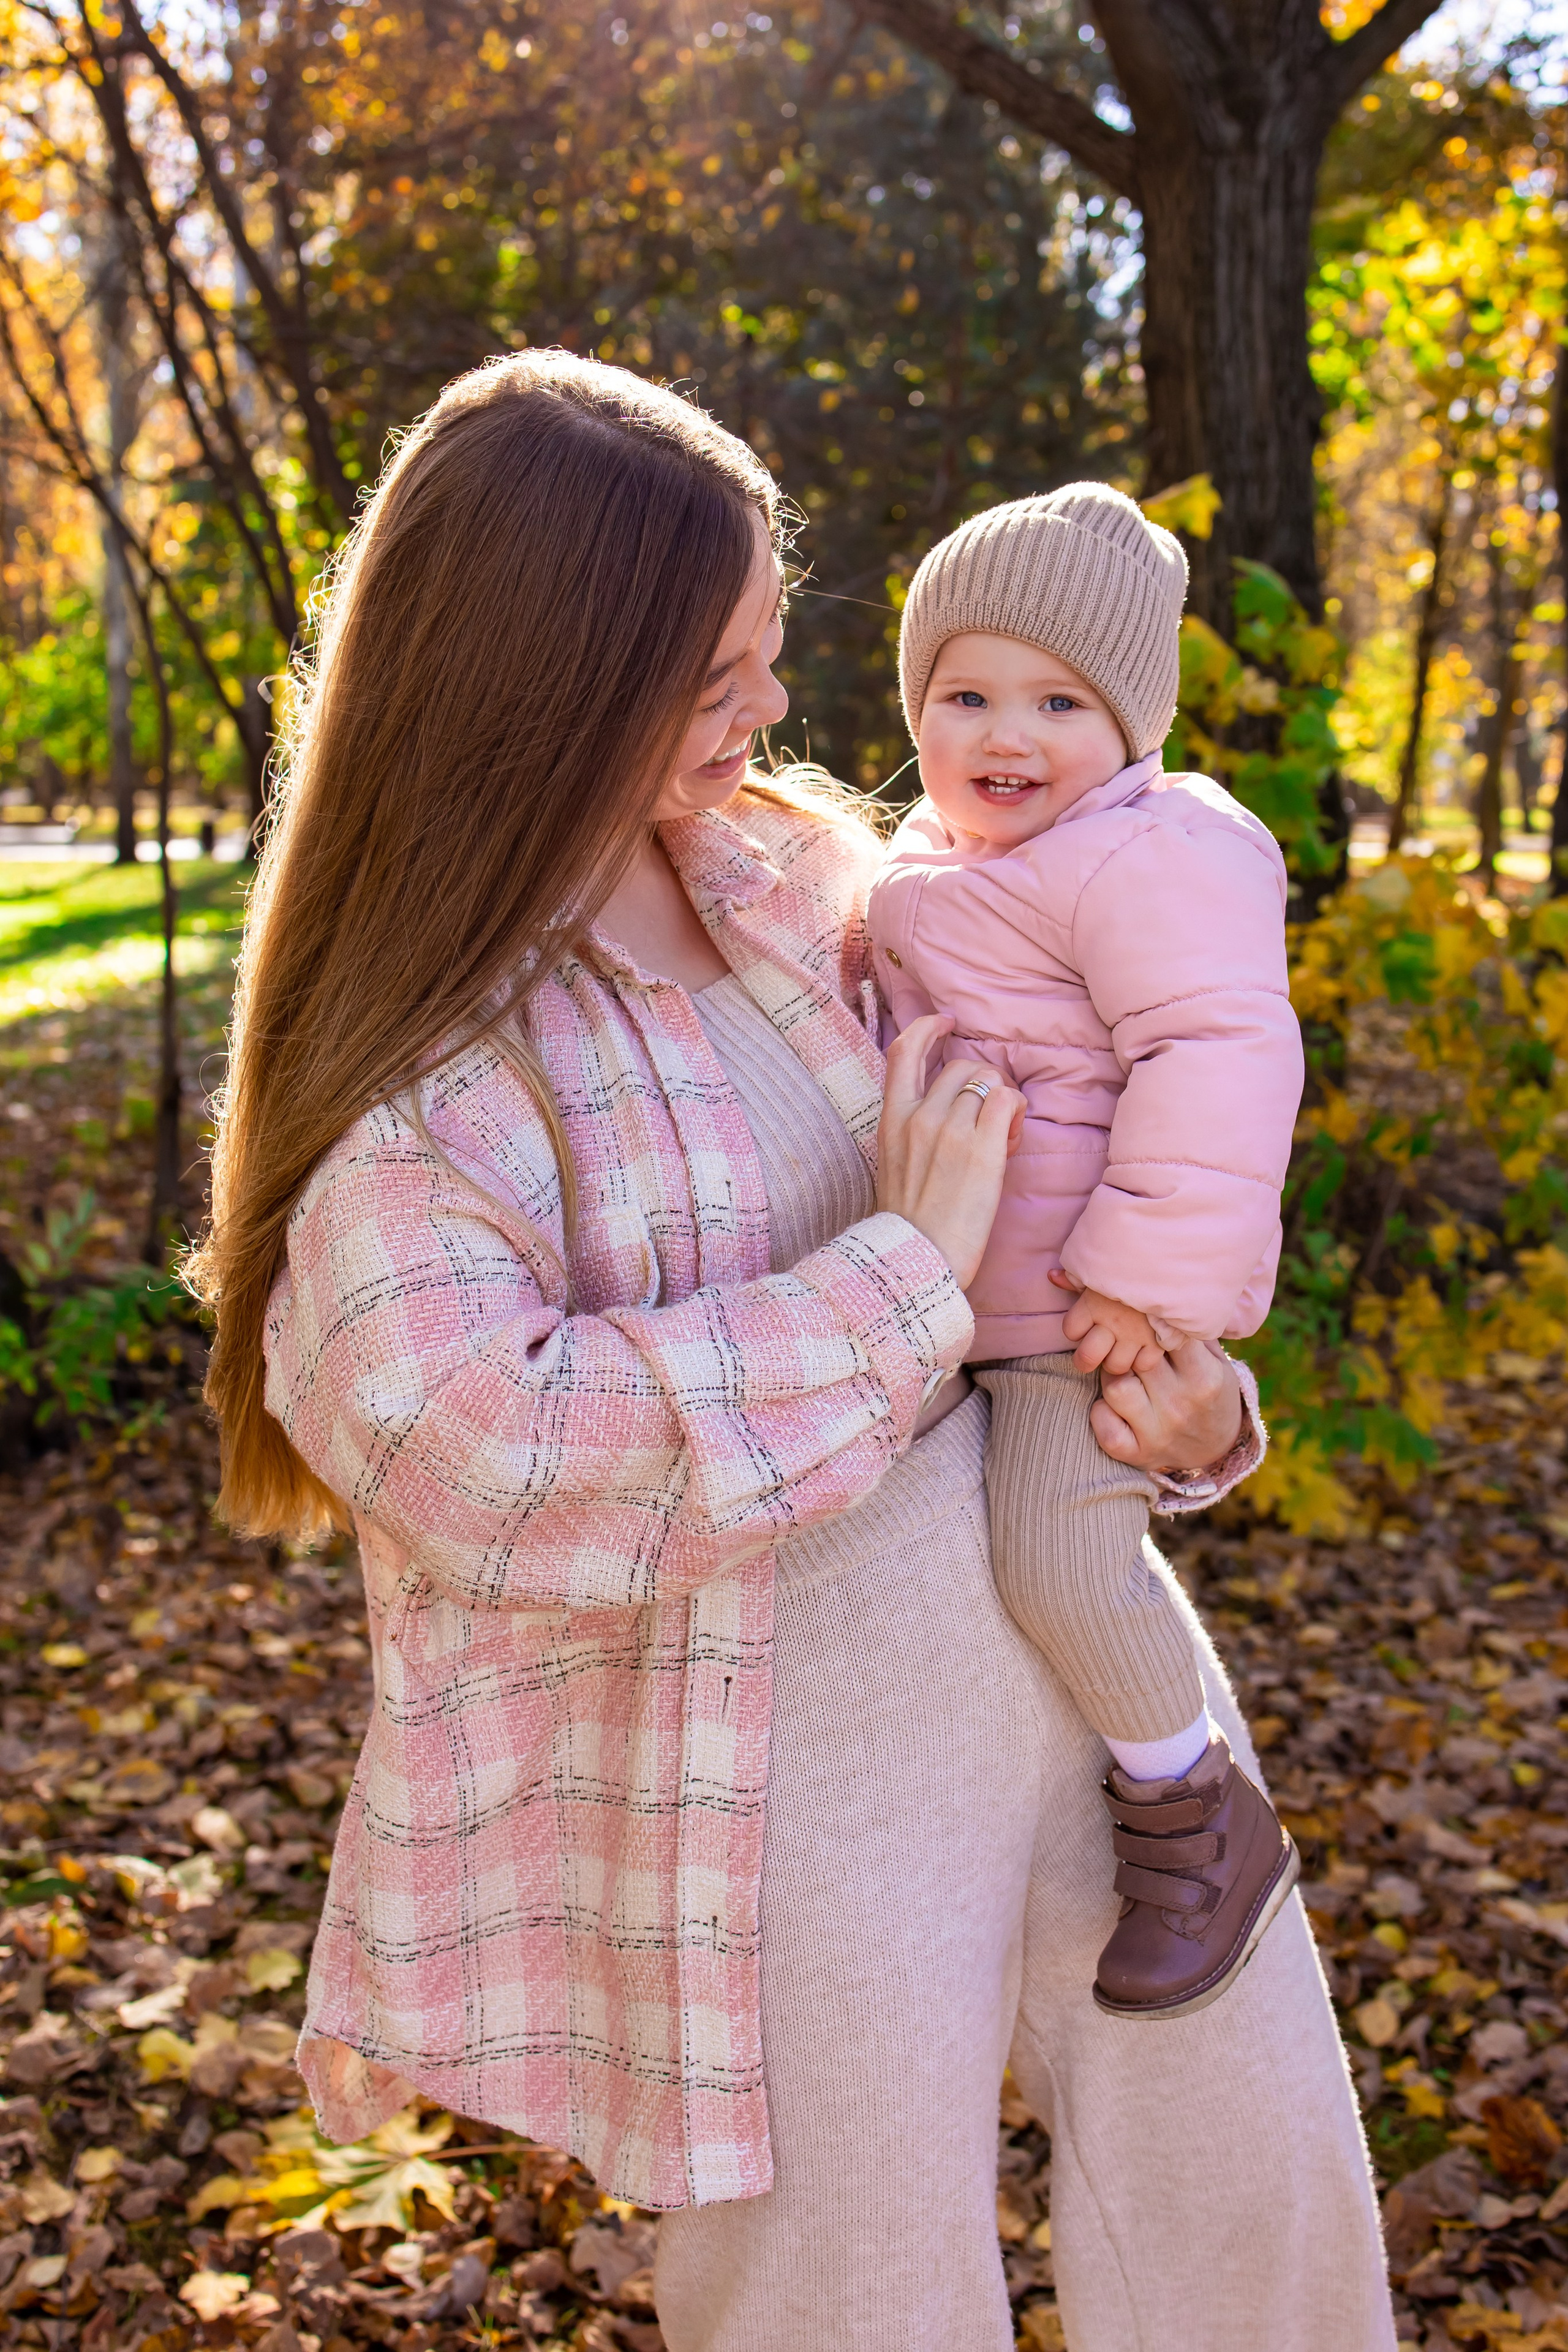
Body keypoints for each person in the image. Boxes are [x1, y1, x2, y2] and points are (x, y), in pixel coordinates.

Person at [190, 351, 1395, 2351]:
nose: (767, 712)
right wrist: (902, 1274)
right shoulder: (425, 1088)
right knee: (853, 2302)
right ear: (539, 678)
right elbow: (491, 1457)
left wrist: (1177, 1409)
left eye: (769, 653)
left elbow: (1079, 1134)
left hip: (1102, 1677)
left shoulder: (802, 873)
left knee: (1253, 2219)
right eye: (712, 673)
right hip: (772, 1802)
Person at [867, 484, 1305, 2022]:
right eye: (964, 692)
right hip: (952, 1311)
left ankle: (1194, 1814)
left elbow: (1217, 1051)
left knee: (1056, 1555)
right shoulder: (933, 860)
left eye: (1059, 701)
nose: (1008, 731)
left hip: (1079, 1316)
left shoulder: (1147, 853)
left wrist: (1145, 1274)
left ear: (1131, 727)